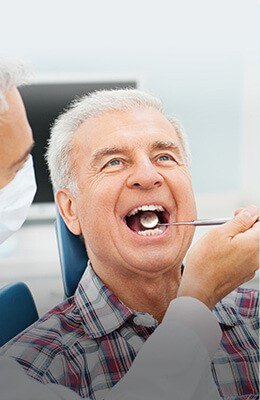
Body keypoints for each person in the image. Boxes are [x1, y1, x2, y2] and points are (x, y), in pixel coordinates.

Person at [0, 83, 258, 398]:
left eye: (164, 156)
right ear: (70, 210)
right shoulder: (32, 370)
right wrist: (198, 297)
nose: (148, 176)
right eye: (114, 162)